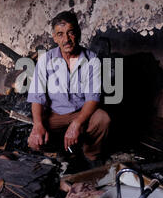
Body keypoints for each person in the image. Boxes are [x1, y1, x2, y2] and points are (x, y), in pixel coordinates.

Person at [27, 11, 110, 167]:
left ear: (77, 33)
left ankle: (91, 155)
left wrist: (76, 123)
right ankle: (61, 153)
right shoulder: (46, 59)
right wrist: (37, 125)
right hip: (55, 114)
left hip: (81, 112)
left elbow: (93, 98)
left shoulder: (92, 59)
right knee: (35, 142)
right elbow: (37, 97)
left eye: (70, 33)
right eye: (60, 34)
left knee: (103, 118)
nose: (66, 39)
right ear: (55, 37)